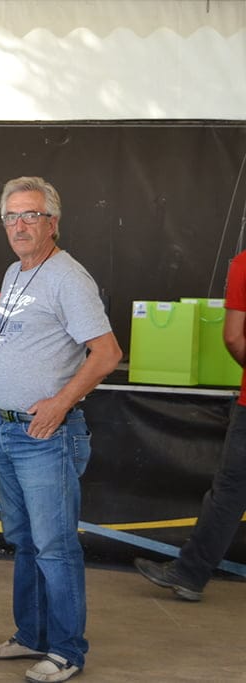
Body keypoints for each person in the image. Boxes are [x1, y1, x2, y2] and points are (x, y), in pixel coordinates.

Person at [0, 177, 121, 683]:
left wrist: (60, 403)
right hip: (8, 428)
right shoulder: (16, 270)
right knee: (25, 541)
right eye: (11, 216)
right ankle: (32, 635)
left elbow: (107, 353)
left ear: (52, 223)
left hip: (45, 434)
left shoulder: (67, 277)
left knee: (55, 547)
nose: (20, 225)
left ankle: (67, 651)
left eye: (31, 215)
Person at [134, 248, 246, 601]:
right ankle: (188, 574)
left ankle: (190, 574)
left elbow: (233, 336)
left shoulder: (244, 264)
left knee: (230, 492)